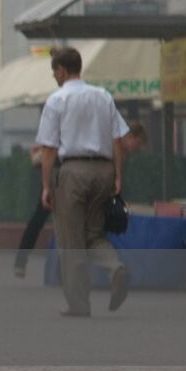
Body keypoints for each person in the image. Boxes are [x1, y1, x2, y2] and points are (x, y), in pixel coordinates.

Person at [37, 47, 132, 317]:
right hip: (103, 171)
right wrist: (117, 175)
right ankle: (115, 268)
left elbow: (48, 149)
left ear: (61, 71)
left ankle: (78, 303)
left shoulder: (57, 100)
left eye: (54, 72)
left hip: (73, 172)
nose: (54, 77)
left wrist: (46, 185)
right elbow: (119, 141)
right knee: (94, 234)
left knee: (71, 239)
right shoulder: (103, 97)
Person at [15, 122, 145, 277]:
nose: (135, 149)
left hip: (67, 176)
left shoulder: (108, 138)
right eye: (136, 144)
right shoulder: (111, 142)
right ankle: (33, 263)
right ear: (130, 136)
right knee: (58, 220)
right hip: (65, 175)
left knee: (54, 220)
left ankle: (28, 263)